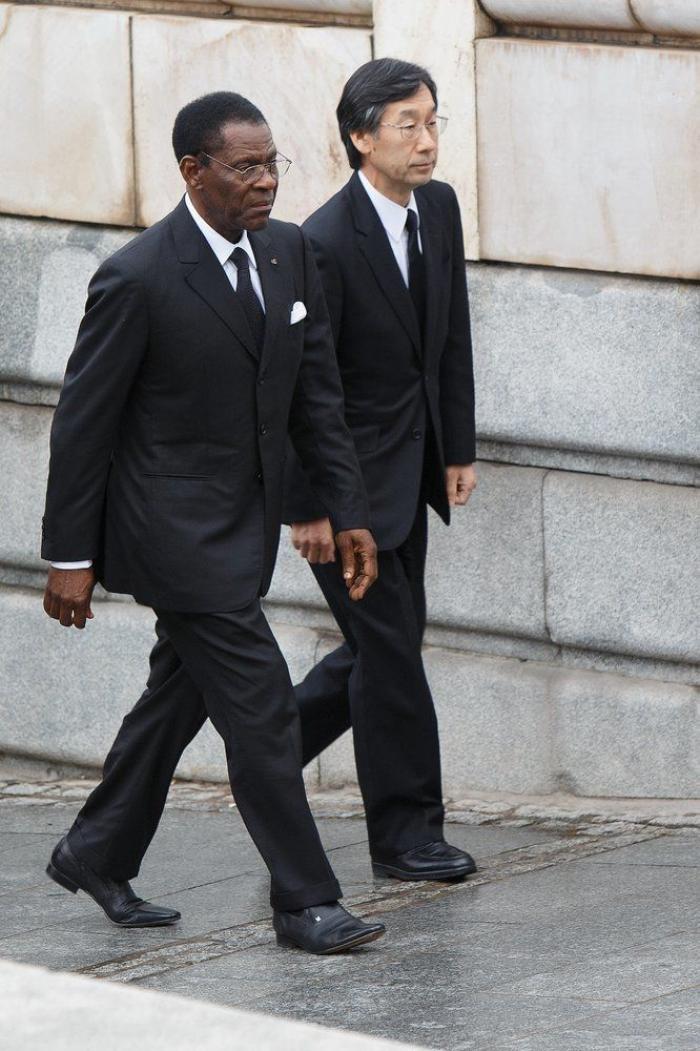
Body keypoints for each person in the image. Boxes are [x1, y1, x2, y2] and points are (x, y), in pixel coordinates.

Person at [40, 91, 385, 955]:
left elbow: (317, 398)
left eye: (273, 163)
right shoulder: (137, 276)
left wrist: (348, 510)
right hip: (172, 531)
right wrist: (70, 555)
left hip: (246, 523)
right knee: (263, 708)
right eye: (245, 167)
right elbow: (83, 424)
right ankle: (306, 900)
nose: (266, 180)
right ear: (193, 171)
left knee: (179, 693)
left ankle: (96, 848)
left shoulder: (289, 252)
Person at [283, 58, 478, 882]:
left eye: (433, 122)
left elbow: (450, 333)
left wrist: (457, 446)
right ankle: (406, 836)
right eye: (409, 125)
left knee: (382, 644)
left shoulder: (439, 207)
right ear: (361, 138)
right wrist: (309, 506)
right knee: (391, 652)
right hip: (346, 490)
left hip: (413, 470)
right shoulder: (321, 242)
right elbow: (298, 384)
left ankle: (267, 750)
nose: (427, 140)